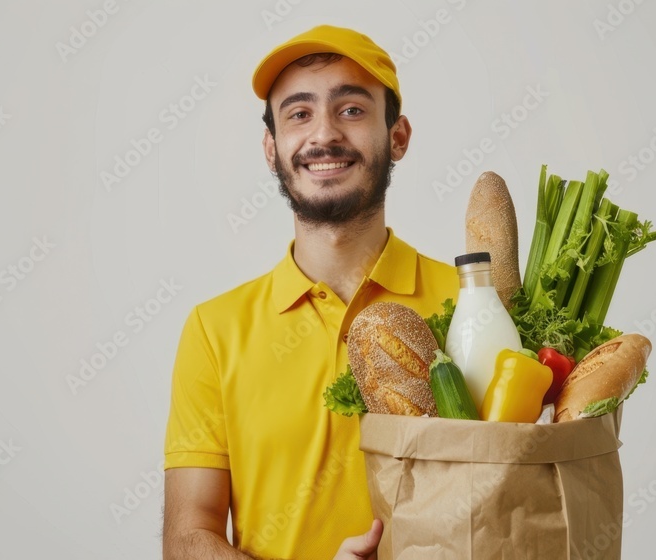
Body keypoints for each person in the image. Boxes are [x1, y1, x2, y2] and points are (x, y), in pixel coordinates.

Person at [162, 25, 458, 559]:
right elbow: (187, 540)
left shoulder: (473, 306)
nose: (323, 135)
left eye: (351, 109)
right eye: (299, 114)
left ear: (398, 137)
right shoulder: (216, 329)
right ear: (272, 149)